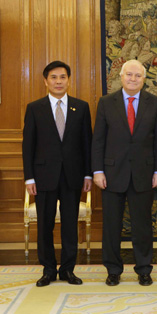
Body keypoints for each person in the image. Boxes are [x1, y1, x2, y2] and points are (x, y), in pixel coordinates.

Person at [92, 59, 157, 286]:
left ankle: (144, 269)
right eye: (129, 75)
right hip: (112, 174)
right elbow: (98, 141)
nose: (133, 79)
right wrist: (97, 171)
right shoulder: (106, 103)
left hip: (144, 174)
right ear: (121, 77)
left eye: (138, 76)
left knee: (142, 226)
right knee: (111, 226)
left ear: (144, 80)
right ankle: (113, 270)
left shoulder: (154, 103)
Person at [22, 61, 92, 287]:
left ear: (68, 80)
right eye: (54, 77)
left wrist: (88, 175)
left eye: (63, 77)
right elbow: (28, 145)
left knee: (70, 224)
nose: (58, 81)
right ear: (46, 81)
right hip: (43, 176)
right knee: (45, 225)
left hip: (73, 176)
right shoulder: (35, 108)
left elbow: (87, 144)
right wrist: (29, 177)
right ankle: (49, 269)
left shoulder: (81, 107)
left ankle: (68, 270)